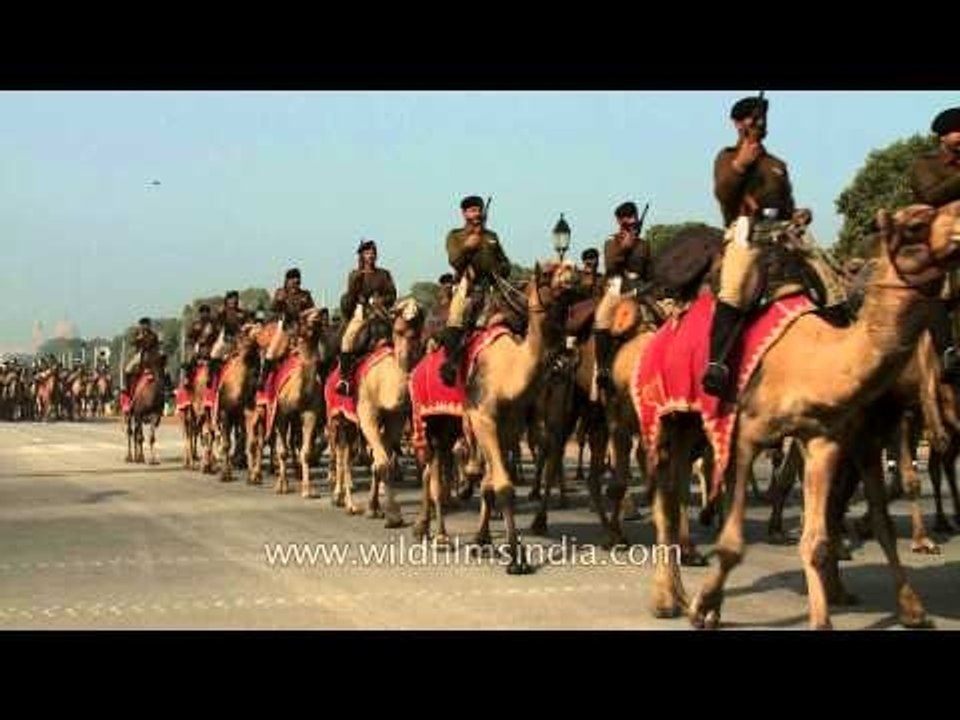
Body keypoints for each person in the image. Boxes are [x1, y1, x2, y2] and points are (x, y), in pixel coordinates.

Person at [702, 94, 796, 397]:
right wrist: (741, 164)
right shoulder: (727, 157)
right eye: (751, 118)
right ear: (737, 124)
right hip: (746, 234)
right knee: (734, 287)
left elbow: (788, 206)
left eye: (762, 117)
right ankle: (716, 364)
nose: (758, 122)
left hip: (782, 236)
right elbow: (723, 194)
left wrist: (798, 215)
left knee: (829, 278)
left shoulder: (777, 164)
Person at [440, 195, 511, 386]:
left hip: (492, 287)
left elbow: (506, 264)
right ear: (464, 214)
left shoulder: (492, 236)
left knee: (518, 313)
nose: (476, 214)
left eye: (478, 210)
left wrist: (498, 269)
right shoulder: (455, 236)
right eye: (472, 210)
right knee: (456, 316)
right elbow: (454, 261)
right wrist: (467, 247)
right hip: (467, 286)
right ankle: (451, 365)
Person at [911, 106, 960, 381]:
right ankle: (947, 351)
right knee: (931, 291)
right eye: (957, 131)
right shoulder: (925, 163)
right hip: (942, 242)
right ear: (943, 136)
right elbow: (929, 196)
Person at [591, 201, 653, 392]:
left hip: (640, 290)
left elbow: (650, 273)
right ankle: (603, 368)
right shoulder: (611, 242)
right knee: (601, 317)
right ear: (619, 222)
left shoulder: (644, 245)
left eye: (634, 219)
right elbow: (611, 267)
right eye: (627, 221)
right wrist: (624, 248)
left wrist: (647, 288)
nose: (632, 224)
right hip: (617, 288)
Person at [336, 239, 397, 396]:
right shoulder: (354, 274)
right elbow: (349, 297)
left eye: (373, 253)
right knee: (347, 339)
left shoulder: (384, 274)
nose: (371, 256)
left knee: (399, 331)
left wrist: (381, 300)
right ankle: (344, 379)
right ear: (362, 256)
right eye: (367, 253)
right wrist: (358, 295)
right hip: (361, 311)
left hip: (381, 310)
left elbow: (392, 294)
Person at [258, 268, 315, 390]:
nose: (295, 282)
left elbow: (312, 309)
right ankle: (263, 379)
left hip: (301, 329)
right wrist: (278, 301)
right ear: (287, 281)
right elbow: (273, 308)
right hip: (285, 327)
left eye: (297, 279)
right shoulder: (281, 292)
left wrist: (307, 313)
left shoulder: (305, 295)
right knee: (272, 351)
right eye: (292, 279)